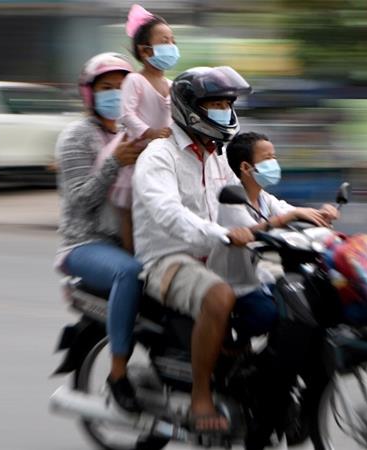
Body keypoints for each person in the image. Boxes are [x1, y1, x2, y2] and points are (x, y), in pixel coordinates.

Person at [132, 66, 254, 435]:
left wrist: (296, 217)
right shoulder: (159, 157)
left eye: (225, 104)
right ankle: (201, 395)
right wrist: (221, 234)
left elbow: (246, 201)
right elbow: (169, 214)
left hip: (212, 253)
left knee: (275, 288)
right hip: (167, 261)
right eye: (213, 103)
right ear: (189, 109)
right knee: (219, 297)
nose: (222, 110)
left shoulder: (216, 156)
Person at [54, 52, 147, 412]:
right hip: (86, 244)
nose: (115, 95)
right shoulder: (77, 136)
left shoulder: (138, 133)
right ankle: (118, 374)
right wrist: (113, 163)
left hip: (133, 238)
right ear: (90, 95)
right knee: (130, 273)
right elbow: (79, 200)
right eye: (106, 88)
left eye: (123, 88)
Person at [207, 131, 339, 339]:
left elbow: (290, 211)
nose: (274, 163)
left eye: (274, 157)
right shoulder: (231, 200)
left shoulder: (264, 198)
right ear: (245, 167)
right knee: (266, 314)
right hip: (233, 284)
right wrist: (290, 216)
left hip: (258, 278)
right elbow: (250, 232)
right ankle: (229, 343)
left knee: (300, 302)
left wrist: (321, 213)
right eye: (268, 158)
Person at [105, 4, 178, 250]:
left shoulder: (172, 83)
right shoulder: (135, 80)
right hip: (136, 157)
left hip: (163, 157)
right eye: (164, 40)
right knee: (131, 213)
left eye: (173, 40)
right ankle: (130, 256)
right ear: (146, 51)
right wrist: (150, 133)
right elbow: (126, 115)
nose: (171, 45)